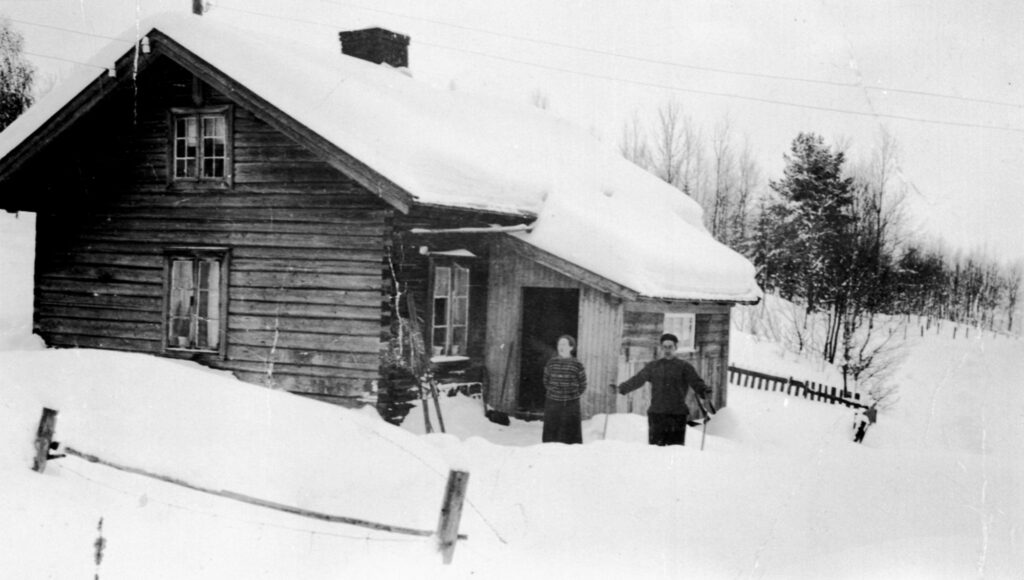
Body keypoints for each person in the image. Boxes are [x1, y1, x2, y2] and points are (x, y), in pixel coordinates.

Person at [611, 333, 711, 446]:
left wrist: (704, 391)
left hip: (677, 415)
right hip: (657, 414)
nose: (667, 350)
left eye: (670, 347)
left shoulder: (684, 367)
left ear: (676, 348)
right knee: (655, 452)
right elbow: (638, 380)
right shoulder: (653, 366)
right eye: (665, 347)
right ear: (661, 348)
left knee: (676, 451)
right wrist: (621, 388)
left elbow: (696, 381)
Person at [542, 335, 587, 444]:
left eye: (564, 344)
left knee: (570, 437)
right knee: (551, 436)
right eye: (559, 344)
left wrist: (570, 395)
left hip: (571, 405)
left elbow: (582, 384)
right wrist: (555, 393)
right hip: (553, 403)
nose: (560, 347)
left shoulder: (577, 364)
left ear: (571, 347)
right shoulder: (551, 363)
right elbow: (546, 381)